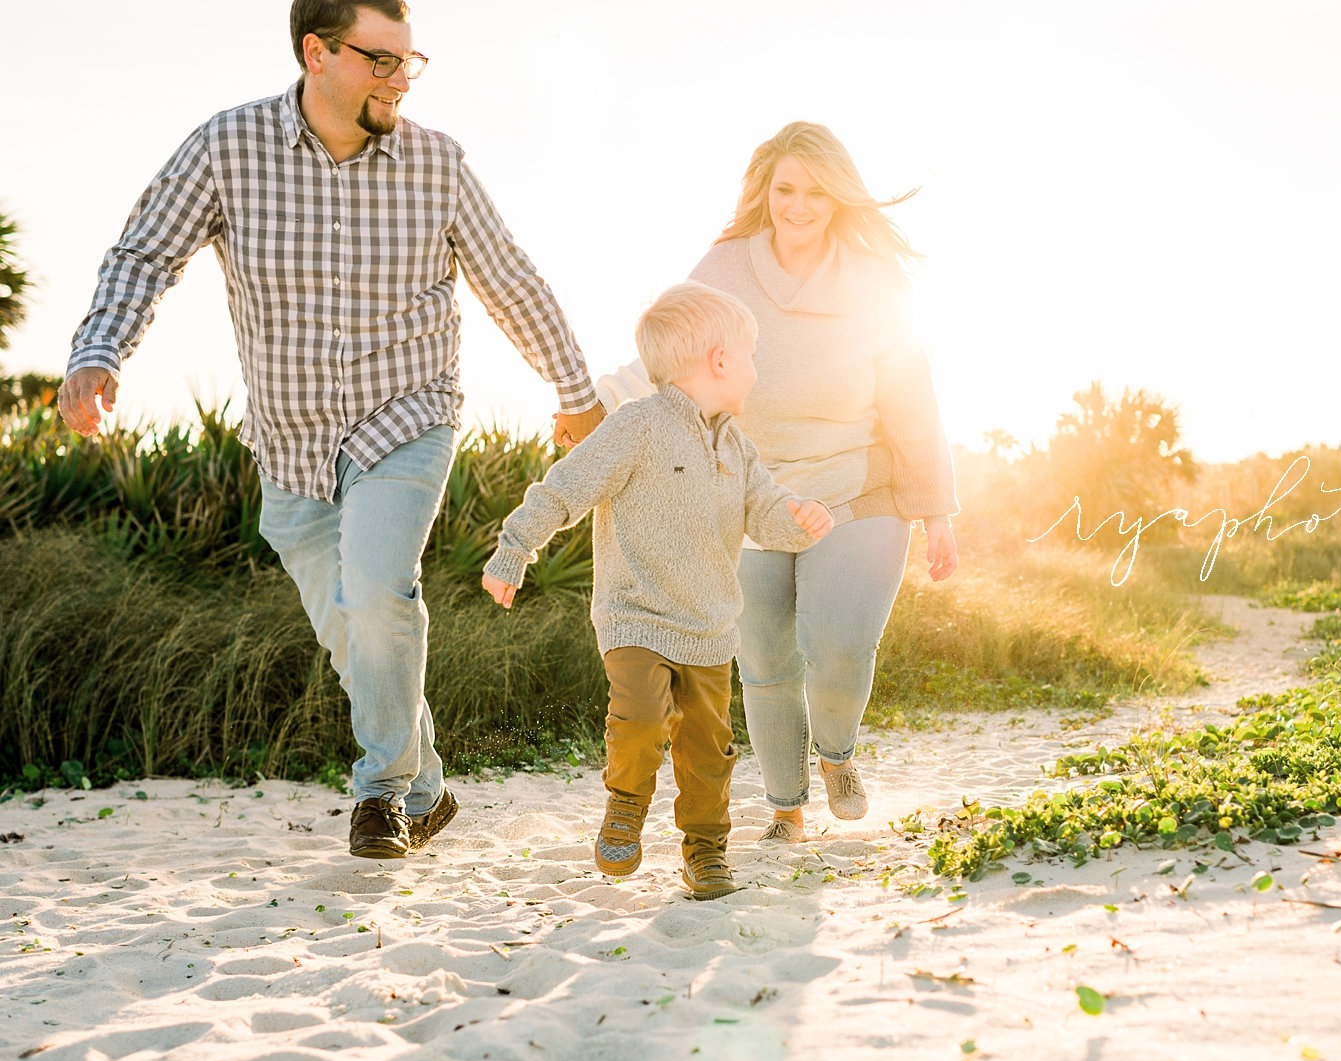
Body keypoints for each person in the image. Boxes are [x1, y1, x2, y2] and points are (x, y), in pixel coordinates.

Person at [58, 0, 606, 860]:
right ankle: (425, 790)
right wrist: (100, 353)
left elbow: (511, 281)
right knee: (352, 629)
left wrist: (575, 389)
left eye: (409, 60)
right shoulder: (227, 148)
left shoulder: (438, 162)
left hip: (409, 411)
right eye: (379, 59)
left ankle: (380, 793)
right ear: (317, 52)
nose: (399, 79)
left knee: (382, 587)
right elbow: (145, 254)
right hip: (290, 439)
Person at [588, 122, 959, 843]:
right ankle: (786, 807)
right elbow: (671, 350)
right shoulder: (726, 267)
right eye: (785, 189)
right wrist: (598, 402)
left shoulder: (874, 280)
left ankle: (838, 756)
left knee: (838, 642)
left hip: (858, 490)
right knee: (763, 660)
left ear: (837, 196)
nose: (798, 205)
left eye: (815, 191)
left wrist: (938, 511)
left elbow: (913, 397)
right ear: (766, 191)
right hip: (747, 492)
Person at [483, 282, 833, 899]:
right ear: (720, 360)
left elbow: (767, 511)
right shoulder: (636, 426)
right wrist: (516, 547)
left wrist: (799, 521)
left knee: (708, 752)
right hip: (634, 615)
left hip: (709, 628)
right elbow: (566, 487)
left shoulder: (737, 447)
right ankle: (625, 803)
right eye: (750, 355)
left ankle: (705, 851)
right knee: (640, 717)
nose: (755, 370)